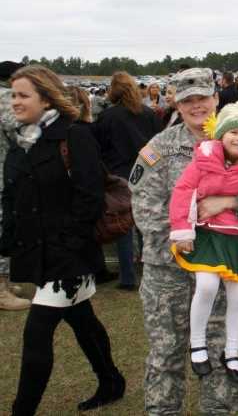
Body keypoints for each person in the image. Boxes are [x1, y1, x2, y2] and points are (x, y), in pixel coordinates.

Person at [1, 65, 126, 415]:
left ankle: (21, 411)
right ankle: (112, 381)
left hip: (67, 254)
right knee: (83, 320)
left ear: (45, 97)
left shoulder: (74, 136)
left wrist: (69, 245)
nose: (15, 102)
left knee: (36, 333)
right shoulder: (22, 138)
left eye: (23, 95)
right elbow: (14, 196)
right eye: (13, 94)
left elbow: (90, 197)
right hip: (36, 251)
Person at [130, 68, 238, 415]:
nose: (197, 106)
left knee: (222, 351)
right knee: (166, 354)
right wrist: (186, 237)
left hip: (222, 268)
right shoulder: (158, 149)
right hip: (168, 272)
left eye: (202, 98)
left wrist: (231, 205)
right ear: (176, 104)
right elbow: (144, 206)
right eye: (188, 100)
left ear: (215, 98)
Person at [169, 100, 238, 383]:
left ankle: (231, 352)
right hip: (207, 234)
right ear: (221, 134)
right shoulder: (203, 159)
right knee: (206, 285)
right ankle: (198, 345)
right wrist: (183, 230)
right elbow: (184, 191)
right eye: (234, 132)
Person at [92, 72, 162, 291]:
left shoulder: (107, 117)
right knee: (146, 226)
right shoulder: (149, 114)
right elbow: (157, 146)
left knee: (122, 227)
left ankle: (128, 277)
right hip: (146, 173)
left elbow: (99, 149)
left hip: (118, 176)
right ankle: (149, 269)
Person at [0, 60, 31, 312]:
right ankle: (0, 289)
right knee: (2, 228)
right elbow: (20, 132)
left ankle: (5, 283)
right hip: (3, 173)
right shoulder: (4, 99)